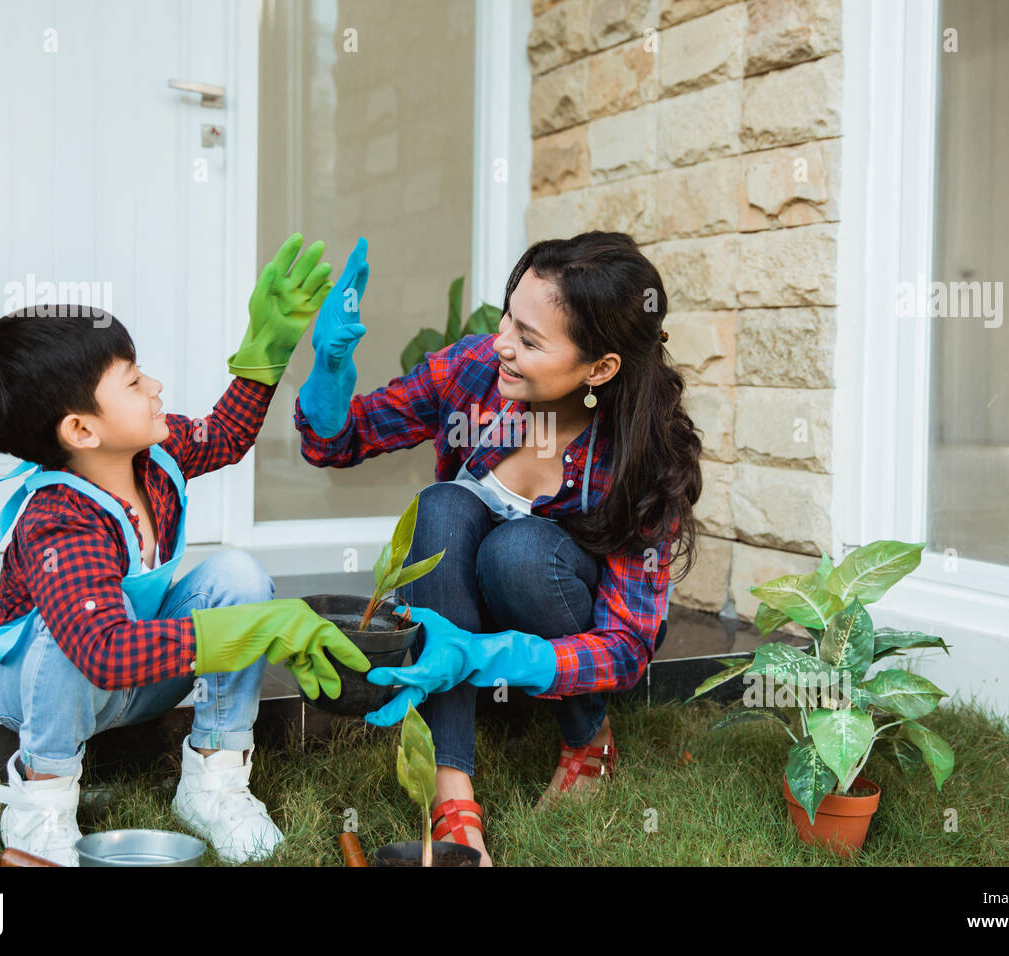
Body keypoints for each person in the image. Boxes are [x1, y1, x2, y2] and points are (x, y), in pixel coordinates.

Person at [0, 234, 371, 865]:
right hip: (49, 684)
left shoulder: (154, 458)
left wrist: (270, 345)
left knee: (238, 576)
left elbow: (226, 434)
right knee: (69, 637)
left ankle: (214, 780)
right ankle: (42, 804)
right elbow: (102, 651)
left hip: (132, 671)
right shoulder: (60, 519)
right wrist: (255, 630)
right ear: (82, 430)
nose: (156, 385)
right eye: (135, 380)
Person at [294, 231, 703, 866]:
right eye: (509, 315)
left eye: (530, 340)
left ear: (600, 368)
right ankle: (452, 801)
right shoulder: (476, 373)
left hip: (548, 605)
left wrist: (487, 652)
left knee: (517, 551)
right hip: (456, 601)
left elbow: (626, 650)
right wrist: (329, 367)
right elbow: (337, 442)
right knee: (443, 504)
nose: (502, 343)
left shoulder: (639, 463)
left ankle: (587, 737)